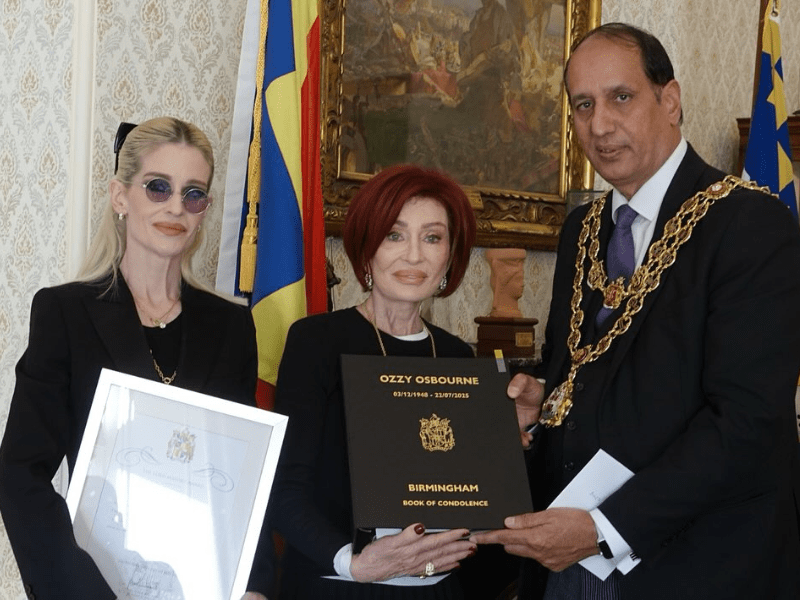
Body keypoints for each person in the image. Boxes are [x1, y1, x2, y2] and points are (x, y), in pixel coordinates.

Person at [473, 22, 800, 600]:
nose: (599, 125)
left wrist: (604, 529)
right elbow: (581, 365)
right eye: (583, 105)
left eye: (620, 97)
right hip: (567, 556)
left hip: (693, 563)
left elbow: (746, 421)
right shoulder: (583, 227)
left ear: (669, 101)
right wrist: (540, 393)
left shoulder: (751, 224)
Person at [0, 117, 259, 600]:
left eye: (193, 193)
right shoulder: (65, 314)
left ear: (204, 210)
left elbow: (247, 474)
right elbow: (20, 473)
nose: (176, 207)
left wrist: (253, 584)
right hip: (95, 584)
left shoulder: (231, 327)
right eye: (157, 187)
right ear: (121, 197)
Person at [246, 164, 479, 600]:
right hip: (339, 585)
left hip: (435, 591)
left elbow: (469, 498)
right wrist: (351, 562)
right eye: (394, 235)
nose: (414, 255)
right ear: (366, 250)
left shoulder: (457, 356)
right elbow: (284, 488)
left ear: (450, 256)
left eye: (432, 237)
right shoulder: (317, 343)